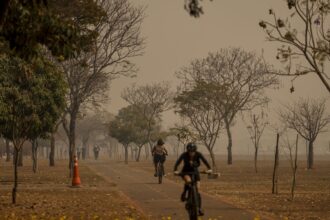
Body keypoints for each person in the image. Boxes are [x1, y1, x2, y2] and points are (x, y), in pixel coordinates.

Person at [173, 142, 212, 216]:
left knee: (197, 190)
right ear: (187, 151)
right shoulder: (184, 155)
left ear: (195, 151)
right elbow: (177, 162)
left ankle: (199, 208)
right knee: (188, 181)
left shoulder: (198, 154)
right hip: (186, 172)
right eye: (190, 151)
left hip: (195, 172)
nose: (191, 153)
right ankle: (184, 192)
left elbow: (205, 161)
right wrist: (175, 170)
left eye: (193, 151)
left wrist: (209, 169)